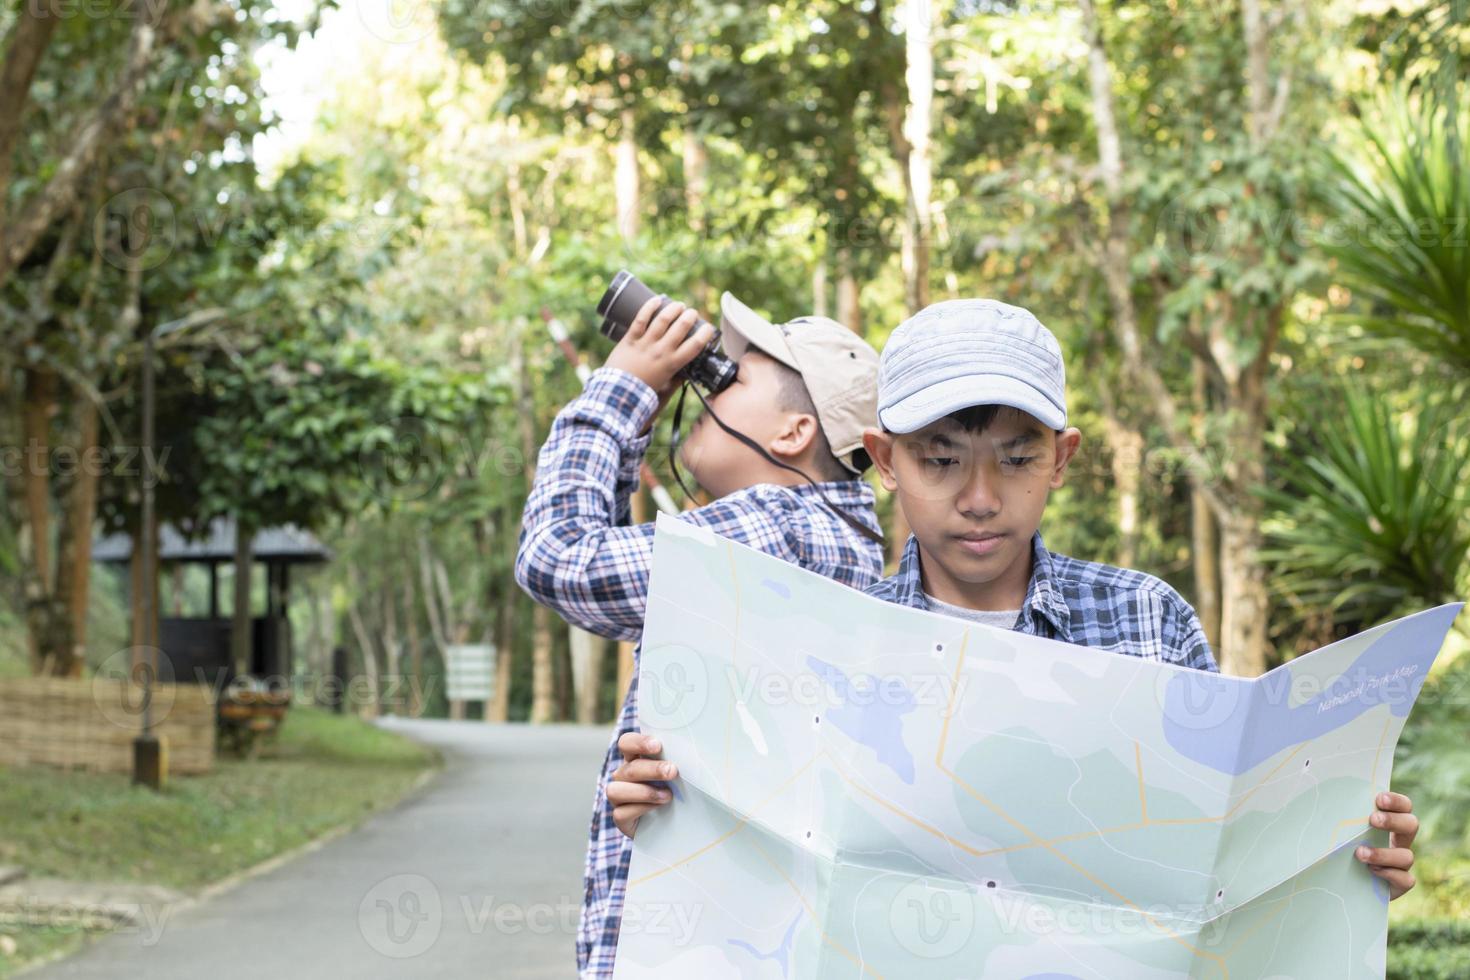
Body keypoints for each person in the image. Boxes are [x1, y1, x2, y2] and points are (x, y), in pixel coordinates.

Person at [611, 297, 1421, 917]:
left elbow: (1215, 851)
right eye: (941, 460)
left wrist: (1336, 864)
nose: (980, 498)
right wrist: (671, 810)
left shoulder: (1146, 619)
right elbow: (774, 863)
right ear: (887, 461)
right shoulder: (824, 634)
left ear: (1062, 458)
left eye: (1017, 458)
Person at [514, 289, 887, 979]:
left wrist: (621, 388)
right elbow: (606, 572)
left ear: (792, 433)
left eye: (730, 374)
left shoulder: (777, 527)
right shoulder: (832, 536)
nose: (705, 381)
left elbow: (560, 558)